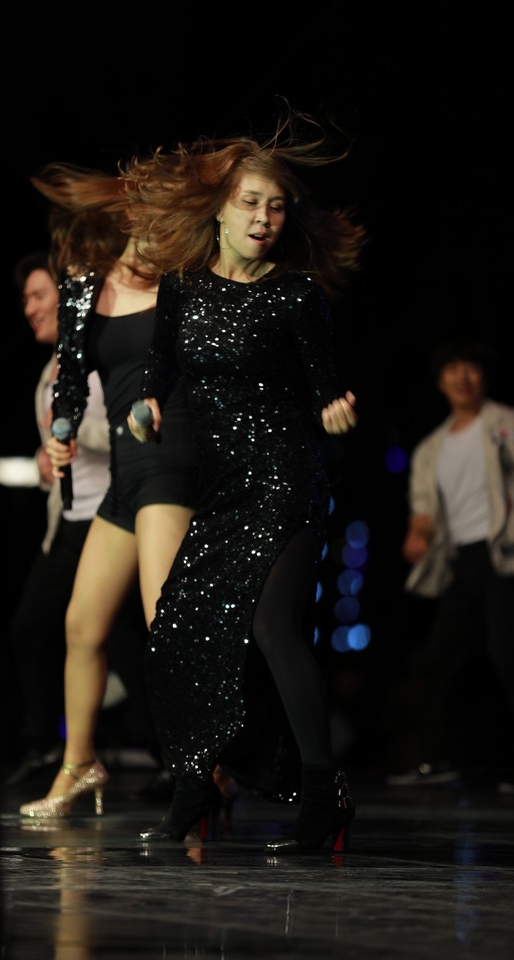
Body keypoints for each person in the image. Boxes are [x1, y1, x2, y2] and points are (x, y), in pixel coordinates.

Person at [124, 101, 365, 853]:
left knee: (270, 627)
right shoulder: (181, 289)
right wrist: (144, 406)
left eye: (277, 206)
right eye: (252, 202)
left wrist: (334, 411)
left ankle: (325, 795)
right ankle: (196, 785)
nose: (265, 217)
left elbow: (325, 388)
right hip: (224, 490)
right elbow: (159, 370)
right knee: (177, 628)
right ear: (221, 210)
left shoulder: (296, 296)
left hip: (286, 481)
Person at [18, 165, 201, 819]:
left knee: (164, 624)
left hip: (169, 463)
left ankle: (199, 772)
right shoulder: (84, 290)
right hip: (124, 476)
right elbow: (70, 380)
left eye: (169, 229)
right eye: (150, 226)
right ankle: (79, 765)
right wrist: (62, 431)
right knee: (81, 625)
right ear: (125, 226)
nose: (159, 240)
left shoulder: (181, 286)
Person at [4, 252, 150, 787]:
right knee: (33, 628)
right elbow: (56, 450)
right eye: (26, 299)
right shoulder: (50, 372)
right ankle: (47, 749)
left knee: (127, 643)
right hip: (68, 520)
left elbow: (129, 433)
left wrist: (71, 431)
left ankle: (174, 759)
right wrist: (46, 462)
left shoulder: (98, 356)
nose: (30, 308)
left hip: (109, 517)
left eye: (39, 295)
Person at [385, 337, 514, 791]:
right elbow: (423, 509)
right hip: (463, 559)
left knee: (507, 654)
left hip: (505, 555)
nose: (462, 377)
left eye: (470, 367)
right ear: (440, 381)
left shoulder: (506, 424)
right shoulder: (430, 448)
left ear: (484, 376)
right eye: (452, 369)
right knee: (440, 659)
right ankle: (436, 759)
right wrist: (418, 533)